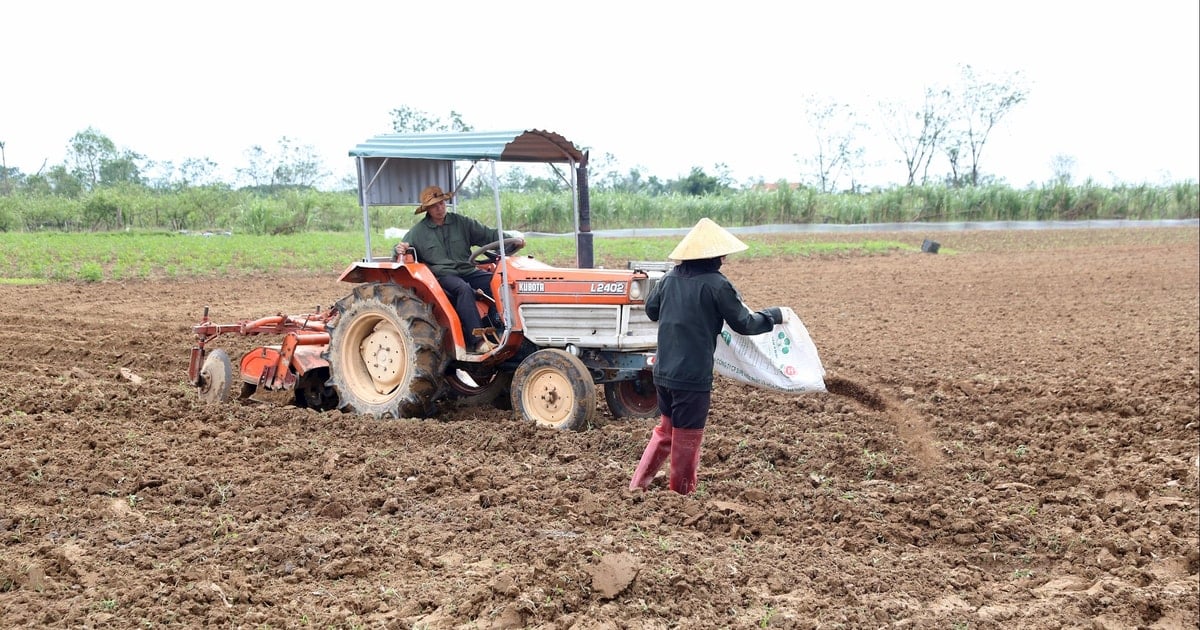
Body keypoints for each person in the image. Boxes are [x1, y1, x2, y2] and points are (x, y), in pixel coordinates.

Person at [629, 218, 784, 495]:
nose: (724, 258)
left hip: (663, 371)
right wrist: (773, 316)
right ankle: (680, 495)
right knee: (687, 438)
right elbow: (744, 324)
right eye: (722, 254)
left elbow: (652, 311)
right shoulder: (717, 284)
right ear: (715, 255)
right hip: (692, 375)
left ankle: (638, 486)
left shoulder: (668, 279)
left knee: (666, 430)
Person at [393, 185, 523, 354]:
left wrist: (512, 240)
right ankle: (476, 342)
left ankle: (501, 326)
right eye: (434, 206)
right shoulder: (418, 232)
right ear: (427, 209)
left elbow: (488, 234)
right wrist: (399, 248)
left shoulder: (461, 223)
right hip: (443, 275)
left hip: (467, 270)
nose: (439, 208)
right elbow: (399, 250)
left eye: (441, 203)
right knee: (463, 289)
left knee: (497, 282)